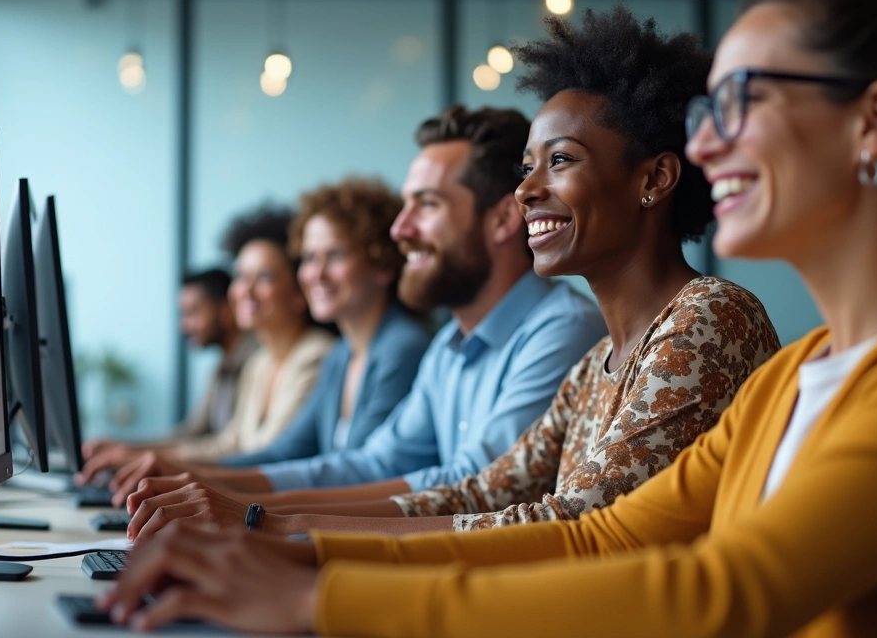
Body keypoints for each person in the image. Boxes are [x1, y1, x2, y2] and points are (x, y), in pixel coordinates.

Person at [102, 0, 877, 635]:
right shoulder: (792, 378)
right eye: (708, 110)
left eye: (742, 102)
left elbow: (727, 594)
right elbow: (599, 535)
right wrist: (289, 550)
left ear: (871, 124)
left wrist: (317, 596)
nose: (706, 140)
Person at [120, 6, 780, 540]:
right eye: (528, 167)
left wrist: (274, 529)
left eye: (562, 161)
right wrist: (255, 521)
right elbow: (478, 493)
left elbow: (580, 528)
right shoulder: (598, 364)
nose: (526, 192)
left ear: (655, 178)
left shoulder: (706, 319)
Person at [103, 105, 608, 512]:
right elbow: (371, 463)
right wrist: (206, 483)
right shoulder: (446, 348)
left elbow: (471, 487)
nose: (399, 230)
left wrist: (253, 509)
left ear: (501, 220)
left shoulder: (560, 329)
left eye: (426, 205)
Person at [99, 178, 432, 497]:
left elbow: (360, 472)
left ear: (383, 264)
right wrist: (184, 472)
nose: (316, 273)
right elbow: (286, 451)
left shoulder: (401, 349)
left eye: (336, 256)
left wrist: (196, 476)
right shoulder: (343, 355)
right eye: (310, 258)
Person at [76, 268, 256, 474]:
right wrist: (123, 447)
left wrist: (137, 456)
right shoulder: (222, 367)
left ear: (226, 310)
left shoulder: (255, 362)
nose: (184, 326)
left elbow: (232, 446)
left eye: (193, 312)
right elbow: (189, 433)